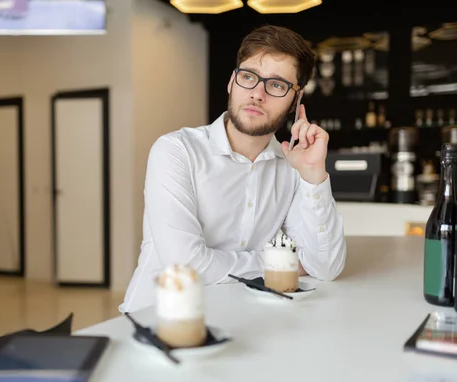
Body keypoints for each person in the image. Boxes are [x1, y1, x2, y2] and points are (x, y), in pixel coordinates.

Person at [119, 24, 347, 313]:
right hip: (157, 320)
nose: (257, 94)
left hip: (243, 323)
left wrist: (314, 175)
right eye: (248, 77)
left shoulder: (293, 166)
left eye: (276, 85)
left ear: (295, 101)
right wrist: (283, 263)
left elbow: (325, 267)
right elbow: (186, 265)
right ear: (231, 82)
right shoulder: (176, 151)